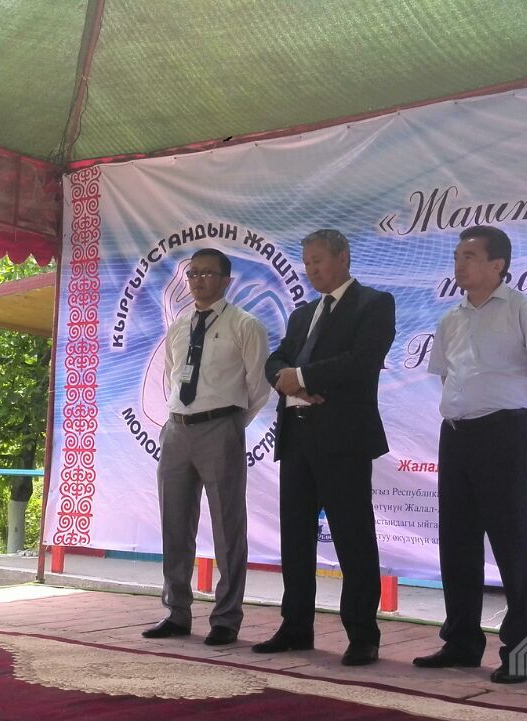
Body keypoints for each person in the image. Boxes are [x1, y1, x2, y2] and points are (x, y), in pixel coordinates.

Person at [412, 225, 527, 683]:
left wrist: (517, 421)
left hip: (503, 435)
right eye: (457, 256)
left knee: (511, 545)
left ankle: (521, 654)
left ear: (498, 264)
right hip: (456, 434)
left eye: (470, 256)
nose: (459, 264)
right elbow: (448, 376)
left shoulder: (525, 311)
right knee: (457, 542)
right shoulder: (450, 319)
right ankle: (460, 643)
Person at [256, 228, 395, 666]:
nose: (311, 270)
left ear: (343, 257)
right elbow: (276, 360)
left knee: (353, 538)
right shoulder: (303, 315)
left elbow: (362, 361)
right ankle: (295, 626)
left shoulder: (374, 304)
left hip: (344, 440)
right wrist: (290, 380)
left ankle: (362, 634)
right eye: (307, 263)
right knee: (296, 538)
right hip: (297, 437)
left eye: (318, 260)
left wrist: (303, 377)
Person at [141, 249, 271, 646]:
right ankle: (176, 612)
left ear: (226, 281)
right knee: (174, 524)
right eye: (193, 273)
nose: (198, 280)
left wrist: (230, 423)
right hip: (177, 430)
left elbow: (259, 386)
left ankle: (226, 619)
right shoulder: (179, 325)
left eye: (208, 273)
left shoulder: (244, 325)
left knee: (228, 527)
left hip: (221, 427)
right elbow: (172, 376)